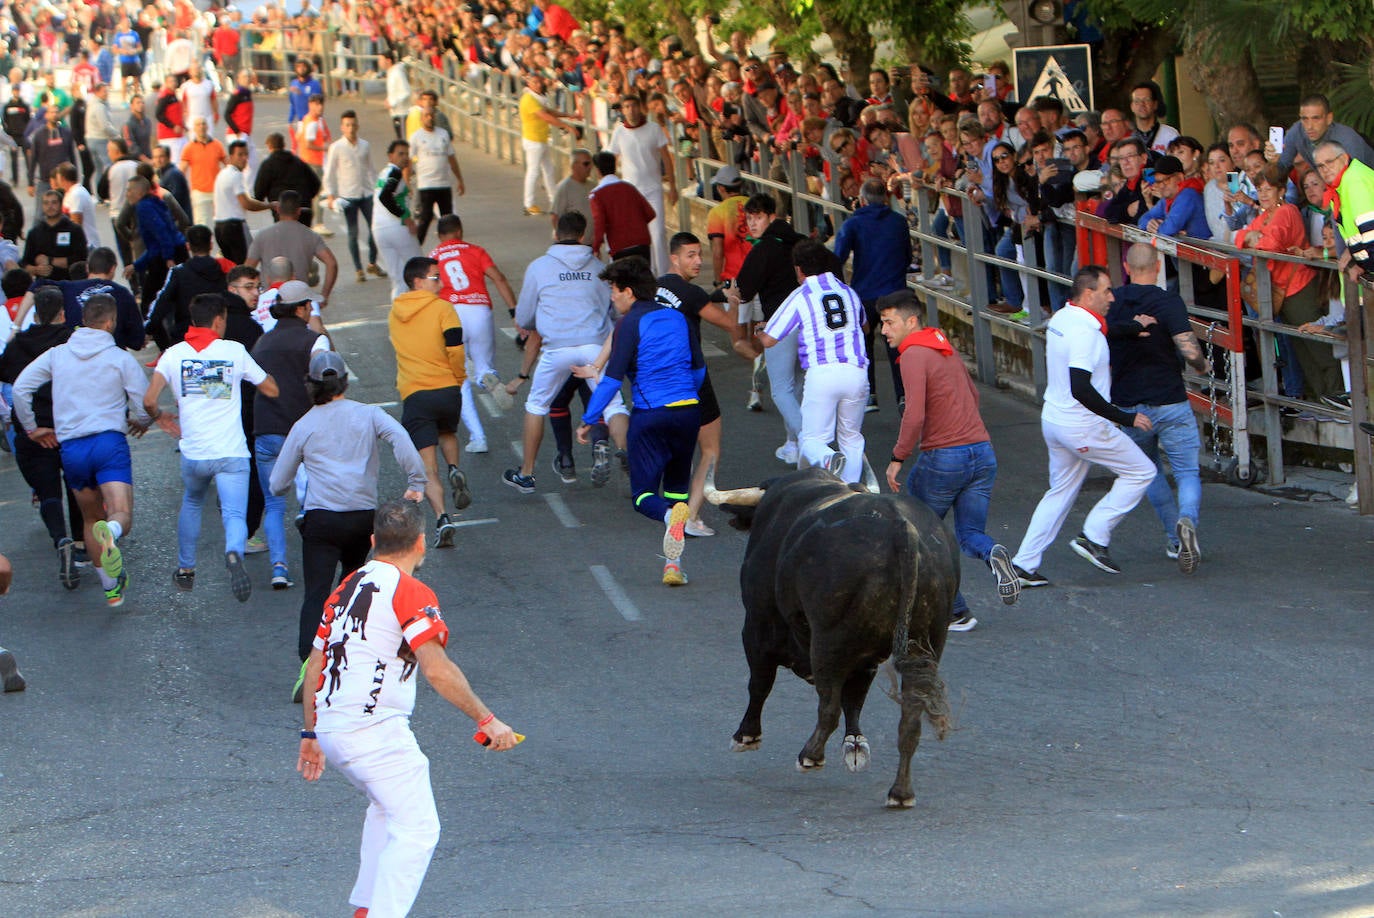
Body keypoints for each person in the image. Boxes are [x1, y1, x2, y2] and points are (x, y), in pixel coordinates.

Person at [298, 498, 518, 918]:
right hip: (372, 732)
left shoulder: (345, 588)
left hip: (332, 728)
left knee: (387, 808)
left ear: (372, 541)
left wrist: (311, 733)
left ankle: (366, 908)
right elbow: (437, 670)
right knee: (419, 829)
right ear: (421, 543)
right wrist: (486, 719)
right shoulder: (409, 591)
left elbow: (315, 667)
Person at [270, 350, 427, 699]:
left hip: (321, 520)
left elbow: (278, 483)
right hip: (361, 519)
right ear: (345, 381)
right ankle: (350, 666)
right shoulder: (369, 415)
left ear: (311, 385)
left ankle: (307, 670)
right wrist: (416, 482)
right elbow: (401, 439)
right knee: (352, 595)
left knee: (316, 594)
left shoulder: (304, 425)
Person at [878, 289, 1020, 629]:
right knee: (970, 533)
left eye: (888, 322)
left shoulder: (913, 354)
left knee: (918, 534)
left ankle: (955, 611)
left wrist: (898, 457)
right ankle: (993, 553)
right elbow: (972, 395)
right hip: (982, 453)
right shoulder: (943, 348)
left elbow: (913, 415)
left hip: (944, 457)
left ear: (911, 321)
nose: (884, 331)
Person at [1009, 266, 1157, 586]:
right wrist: (1125, 417)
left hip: (1054, 421)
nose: (1112, 297)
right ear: (1089, 294)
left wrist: (1129, 328)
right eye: (1106, 291)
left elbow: (1099, 333)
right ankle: (1094, 535)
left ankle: (1023, 564)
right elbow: (1081, 386)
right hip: (1084, 427)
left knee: (1059, 492)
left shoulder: (1064, 317)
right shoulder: (1085, 333)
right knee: (1141, 471)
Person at [12, 294, 153, 607]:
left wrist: (33, 428)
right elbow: (144, 403)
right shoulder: (119, 357)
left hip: (72, 447)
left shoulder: (57, 355)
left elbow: (21, 388)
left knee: (89, 519)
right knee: (121, 514)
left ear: (83, 320)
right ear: (110, 322)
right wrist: (142, 422)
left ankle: (111, 589)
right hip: (108, 443)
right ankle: (112, 530)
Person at [143, 293, 279, 601]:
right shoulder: (233, 350)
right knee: (233, 512)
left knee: (192, 502)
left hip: (194, 453)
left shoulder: (173, 355)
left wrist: (160, 416)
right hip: (232, 452)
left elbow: (149, 400)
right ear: (219, 320)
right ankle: (234, 553)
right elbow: (270, 389)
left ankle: (186, 569)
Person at [576, 256, 702, 585]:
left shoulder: (629, 324)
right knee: (677, 494)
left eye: (613, 291)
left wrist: (589, 419)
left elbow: (612, 379)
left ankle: (666, 518)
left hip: (651, 416)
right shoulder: (678, 318)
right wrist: (684, 396)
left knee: (644, 496)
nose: (612, 298)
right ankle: (673, 566)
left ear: (629, 292)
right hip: (689, 412)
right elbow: (699, 371)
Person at [1108, 243, 1209, 574]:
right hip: (1170, 399)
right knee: (1187, 472)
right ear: (1158, 264)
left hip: (1129, 404)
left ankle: (1174, 538)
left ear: (1126, 265)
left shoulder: (1114, 301)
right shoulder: (1168, 301)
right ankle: (1187, 521)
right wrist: (1201, 365)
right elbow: (1189, 348)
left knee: (1150, 471)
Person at [504, 211, 616, 494]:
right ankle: (630, 458)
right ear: (582, 236)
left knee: (537, 405)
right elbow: (613, 310)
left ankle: (526, 473)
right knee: (614, 406)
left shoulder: (539, 267)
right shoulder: (598, 267)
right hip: (594, 346)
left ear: (556, 233)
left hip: (557, 347)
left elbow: (526, 316)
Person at [757, 239, 867, 482]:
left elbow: (769, 340)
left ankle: (827, 458)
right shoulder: (848, 292)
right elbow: (864, 325)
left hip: (822, 374)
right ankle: (850, 493)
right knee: (851, 437)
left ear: (798, 269)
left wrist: (759, 330)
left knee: (811, 440)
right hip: (856, 371)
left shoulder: (801, 295)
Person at [655, 232, 739, 536]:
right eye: (690, 255)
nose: (698, 261)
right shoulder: (691, 295)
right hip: (691, 378)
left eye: (699, 255)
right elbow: (729, 324)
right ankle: (689, 517)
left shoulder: (653, 288)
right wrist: (733, 302)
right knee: (710, 450)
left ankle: (666, 505)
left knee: (672, 447)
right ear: (674, 258)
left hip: (656, 381)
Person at [0, 287, 82, 588]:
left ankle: (61, 539)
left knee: (48, 492)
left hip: (33, 431)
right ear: (62, 313)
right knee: (78, 485)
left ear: (35, 314)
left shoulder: (20, 344)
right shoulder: (70, 341)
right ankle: (83, 542)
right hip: (70, 427)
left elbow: (7, 376)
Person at [389, 256, 473, 547]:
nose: (441, 282)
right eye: (435, 277)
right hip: (446, 388)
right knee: (448, 431)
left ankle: (442, 518)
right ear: (418, 281)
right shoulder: (444, 309)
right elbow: (456, 349)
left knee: (427, 469)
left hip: (414, 393)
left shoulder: (395, 312)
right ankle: (455, 468)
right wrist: (459, 378)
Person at [251, 277, 329, 590]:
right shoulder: (314, 340)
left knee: (273, 504)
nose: (312, 309)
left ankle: (279, 568)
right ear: (298, 309)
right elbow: (326, 379)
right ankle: (317, 556)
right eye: (309, 304)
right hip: (304, 428)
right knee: (316, 495)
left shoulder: (262, 343)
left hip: (267, 428)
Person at [729, 193, 808, 463]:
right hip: (809, 323)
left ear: (772, 217)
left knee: (781, 390)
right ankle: (793, 443)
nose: (752, 223)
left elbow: (745, 290)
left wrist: (730, 295)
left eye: (758, 217)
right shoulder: (803, 243)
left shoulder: (762, 249)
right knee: (797, 385)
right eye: (749, 218)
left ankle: (811, 445)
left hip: (780, 324)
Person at [833, 177, 912, 413]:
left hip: (864, 293)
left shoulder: (853, 223)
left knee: (863, 345)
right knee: (897, 346)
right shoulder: (899, 222)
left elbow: (838, 256)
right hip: (895, 291)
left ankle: (870, 395)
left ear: (862, 199)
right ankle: (904, 396)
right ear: (885, 198)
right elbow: (907, 256)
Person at [429, 213, 518, 413]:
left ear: (438, 235)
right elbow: (499, 278)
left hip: (451, 313)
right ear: (459, 231)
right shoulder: (476, 251)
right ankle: (486, 377)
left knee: (454, 367)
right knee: (484, 364)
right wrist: (513, 310)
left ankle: (473, 428)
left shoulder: (432, 256)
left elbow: (429, 289)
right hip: (479, 311)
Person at [607, 94, 677, 274]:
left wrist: (673, 187)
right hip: (631, 193)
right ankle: (645, 273)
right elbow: (611, 160)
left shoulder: (654, 129)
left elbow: (666, 158)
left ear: (640, 107)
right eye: (627, 106)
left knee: (658, 234)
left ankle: (662, 275)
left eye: (634, 106)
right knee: (636, 237)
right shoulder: (619, 132)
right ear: (622, 110)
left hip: (653, 189)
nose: (631, 110)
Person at [245, 190, 337, 306]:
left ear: (278, 209)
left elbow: (248, 269)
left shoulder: (262, 236)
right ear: (298, 211)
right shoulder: (310, 235)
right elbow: (331, 263)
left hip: (270, 300)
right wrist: (324, 296)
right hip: (299, 300)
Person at [324, 109, 384, 283]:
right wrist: (330, 195)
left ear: (357, 126)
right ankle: (358, 268)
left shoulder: (365, 145)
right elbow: (329, 172)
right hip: (347, 195)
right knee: (353, 232)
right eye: (347, 125)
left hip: (366, 193)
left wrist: (378, 190)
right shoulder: (337, 147)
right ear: (342, 127)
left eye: (353, 125)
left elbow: (371, 170)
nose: (350, 128)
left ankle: (372, 263)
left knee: (375, 228)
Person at [146, 224, 226, 349]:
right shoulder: (223, 269)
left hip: (186, 337)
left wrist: (149, 328)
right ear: (211, 245)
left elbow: (162, 301)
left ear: (188, 246)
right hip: (220, 334)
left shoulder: (179, 272)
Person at [124, 176, 188, 325]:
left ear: (139, 193)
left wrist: (168, 257)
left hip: (166, 257)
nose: (127, 194)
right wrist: (137, 265)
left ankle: (158, 335)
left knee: (150, 302)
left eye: (129, 190)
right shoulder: (154, 202)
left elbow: (161, 232)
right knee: (172, 296)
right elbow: (156, 244)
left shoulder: (144, 207)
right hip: (172, 251)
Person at [519, 70, 576, 216]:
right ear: (529, 83)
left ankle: (554, 199)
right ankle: (529, 204)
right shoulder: (529, 100)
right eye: (535, 82)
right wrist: (566, 126)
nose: (538, 85)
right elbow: (545, 116)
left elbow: (549, 111)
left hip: (541, 138)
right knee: (534, 171)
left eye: (539, 82)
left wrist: (568, 116)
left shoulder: (537, 98)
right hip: (534, 140)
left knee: (548, 170)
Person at [408, 106, 464, 246]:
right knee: (425, 218)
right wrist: (406, 182)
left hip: (444, 184)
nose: (429, 118)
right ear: (421, 118)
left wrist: (460, 179)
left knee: (448, 220)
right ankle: (416, 247)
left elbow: (451, 158)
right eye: (426, 115)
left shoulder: (443, 134)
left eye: (431, 115)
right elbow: (408, 161)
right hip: (426, 185)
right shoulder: (416, 137)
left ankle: (453, 247)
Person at [372, 139, 421, 299]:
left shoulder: (384, 172)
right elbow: (385, 197)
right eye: (400, 154)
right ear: (390, 156)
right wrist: (406, 217)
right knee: (420, 269)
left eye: (407, 154)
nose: (405, 157)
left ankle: (398, 317)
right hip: (397, 229)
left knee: (398, 278)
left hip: (379, 230)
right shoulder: (395, 173)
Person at [588, 149, 655, 261]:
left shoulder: (596, 195)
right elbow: (650, 213)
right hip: (642, 243)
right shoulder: (629, 187)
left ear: (597, 170)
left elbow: (599, 224)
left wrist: (595, 247)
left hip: (619, 246)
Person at [213, 139, 271, 265]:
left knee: (231, 266)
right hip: (234, 226)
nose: (244, 158)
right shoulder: (236, 175)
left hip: (219, 226)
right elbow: (246, 203)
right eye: (240, 155)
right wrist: (270, 205)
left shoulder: (222, 174)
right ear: (231, 157)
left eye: (246, 155)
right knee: (247, 262)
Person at [253, 132, 321, 225]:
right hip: (303, 209)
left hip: (283, 211)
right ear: (284, 145)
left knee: (285, 238)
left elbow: (259, 192)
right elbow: (316, 183)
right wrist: (306, 198)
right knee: (303, 237)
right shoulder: (298, 162)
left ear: (269, 147)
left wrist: (263, 203)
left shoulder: (268, 165)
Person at [23, 191, 87, 283]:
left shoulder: (74, 230)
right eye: (46, 203)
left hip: (69, 282)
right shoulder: (34, 232)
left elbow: (81, 259)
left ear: (61, 204)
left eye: (54, 202)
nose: (50, 206)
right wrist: (36, 270)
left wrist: (50, 260)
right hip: (43, 285)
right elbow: (25, 263)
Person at [295, 93, 332, 236]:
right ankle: (319, 223)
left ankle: (311, 223)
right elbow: (309, 143)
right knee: (319, 193)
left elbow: (298, 137)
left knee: (312, 194)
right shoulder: (312, 123)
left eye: (322, 104)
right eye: (317, 104)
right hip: (314, 161)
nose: (320, 107)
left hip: (311, 161)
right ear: (310, 105)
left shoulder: (310, 120)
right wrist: (326, 148)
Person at [178, 116, 226, 227]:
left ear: (207, 127)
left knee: (220, 222)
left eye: (204, 124)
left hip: (216, 190)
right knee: (202, 223)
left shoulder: (217, 145)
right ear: (194, 128)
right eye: (198, 124)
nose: (201, 127)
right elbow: (182, 170)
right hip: (199, 192)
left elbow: (227, 165)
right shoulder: (189, 148)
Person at [27, 106, 78, 203]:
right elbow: (33, 160)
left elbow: (72, 157)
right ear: (46, 115)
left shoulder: (66, 133)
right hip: (45, 180)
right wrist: (30, 183)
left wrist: (74, 179)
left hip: (64, 182)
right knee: (40, 214)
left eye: (56, 112)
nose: (54, 115)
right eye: (51, 112)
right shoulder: (39, 135)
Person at [550, 148, 595, 243]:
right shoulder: (564, 187)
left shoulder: (593, 186)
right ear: (574, 165)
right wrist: (563, 242)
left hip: (590, 244)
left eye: (591, 163)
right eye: (586, 164)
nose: (590, 167)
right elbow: (555, 216)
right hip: (573, 245)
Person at [1129, 81, 1178, 155]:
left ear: (1155, 104)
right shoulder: (1129, 138)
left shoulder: (1170, 134)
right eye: (1137, 101)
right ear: (1132, 107)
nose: (1142, 104)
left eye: (1146, 100)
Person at [286, 59, 321, 150]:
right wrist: (290, 120)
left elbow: (317, 102)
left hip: (313, 121)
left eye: (304, 66)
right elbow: (293, 104)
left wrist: (302, 94)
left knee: (315, 146)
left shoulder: (314, 84)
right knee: (302, 148)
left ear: (308, 68)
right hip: (301, 122)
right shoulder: (294, 84)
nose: (301, 69)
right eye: (299, 66)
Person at [153, 144, 193, 219]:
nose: (158, 160)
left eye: (161, 156)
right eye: (155, 157)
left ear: (168, 158)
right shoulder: (162, 173)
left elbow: (175, 201)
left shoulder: (173, 174)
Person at [382, 50, 411, 140]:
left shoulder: (397, 73)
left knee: (402, 139)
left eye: (381, 60)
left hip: (401, 112)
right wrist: (388, 99)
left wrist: (393, 102)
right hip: (395, 113)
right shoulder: (391, 72)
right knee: (399, 138)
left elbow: (406, 91)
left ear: (388, 61)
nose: (380, 63)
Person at [123, 92, 154, 164]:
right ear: (132, 106)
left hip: (148, 156)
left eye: (142, 103)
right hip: (134, 161)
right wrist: (145, 160)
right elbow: (131, 145)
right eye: (138, 103)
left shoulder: (147, 121)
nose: (141, 105)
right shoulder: (128, 124)